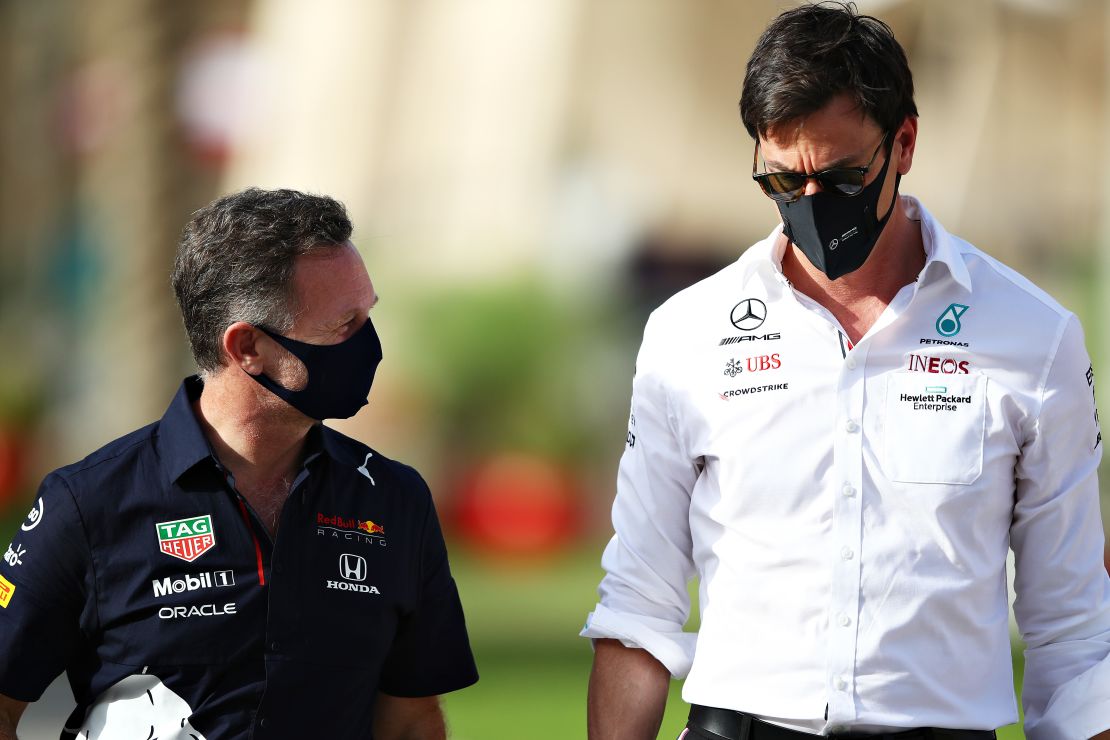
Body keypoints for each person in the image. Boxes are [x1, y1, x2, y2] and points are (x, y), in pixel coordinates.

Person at [582, 3, 1110, 739]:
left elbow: (1074, 628)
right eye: (782, 184)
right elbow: (639, 604)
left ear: (905, 143)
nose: (813, 205)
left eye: (840, 176)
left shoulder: (1035, 337)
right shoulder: (686, 335)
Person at [0, 188, 478, 739]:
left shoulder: (395, 501)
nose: (369, 345)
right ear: (247, 346)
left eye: (367, 316)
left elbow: (411, 718)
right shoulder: (88, 504)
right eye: (343, 325)